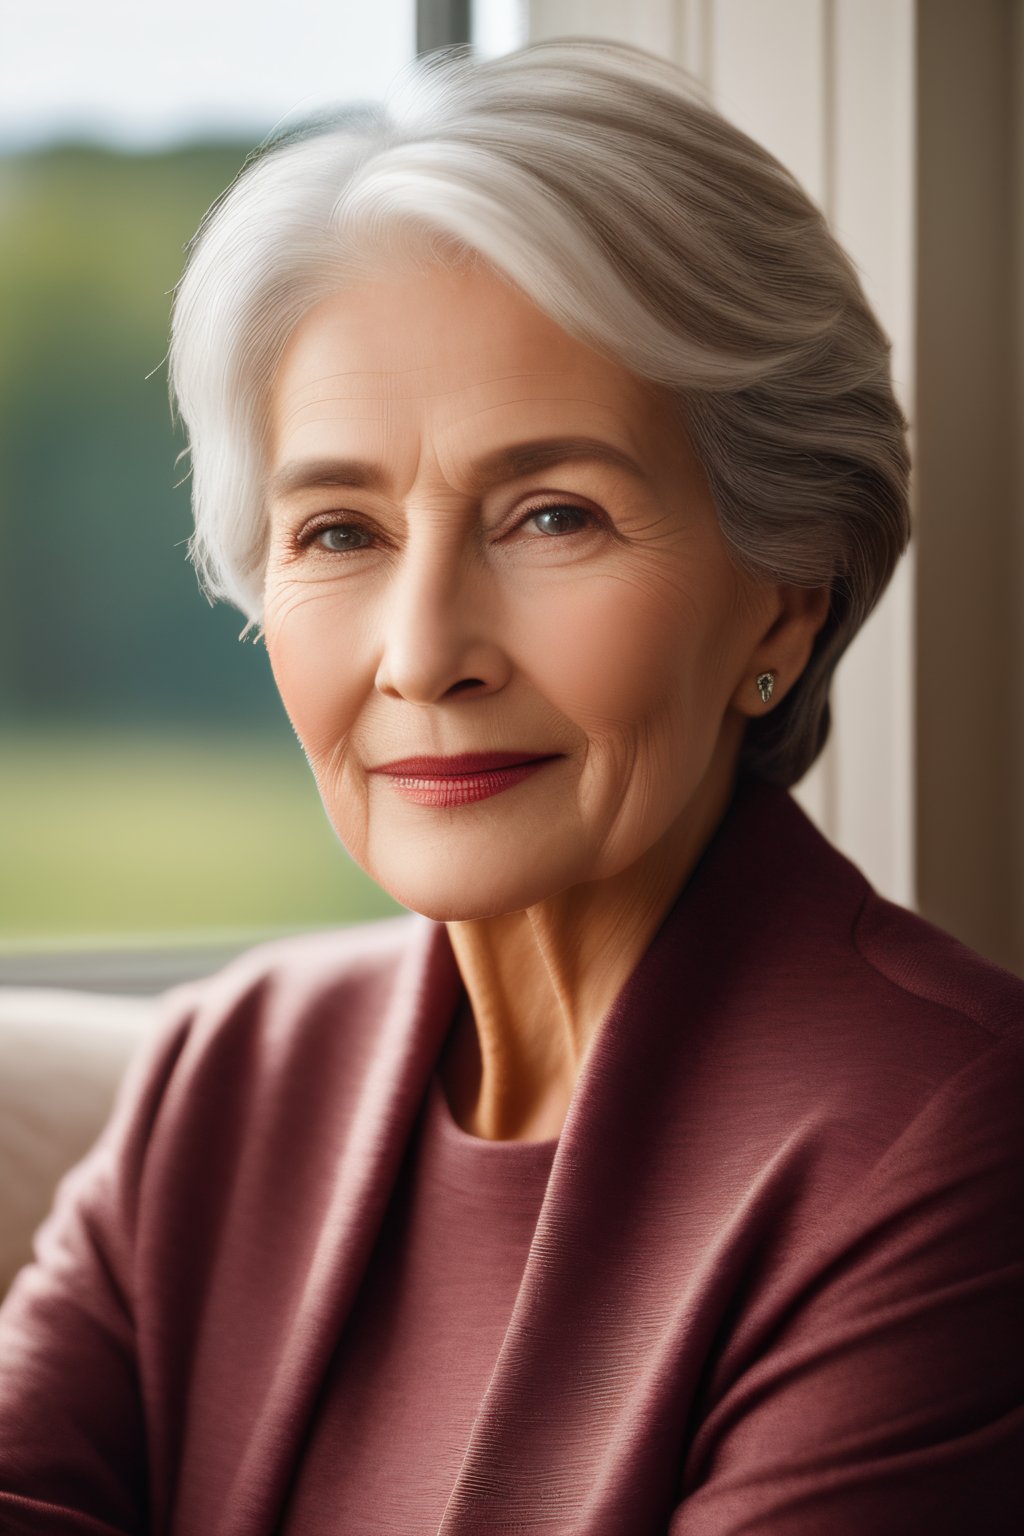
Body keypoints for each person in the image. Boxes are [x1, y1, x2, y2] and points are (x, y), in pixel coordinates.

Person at [1, 38, 1021, 1536]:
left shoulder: (952, 1144)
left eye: (554, 515)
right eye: (339, 532)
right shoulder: (232, 1072)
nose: (423, 655)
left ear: (786, 595)